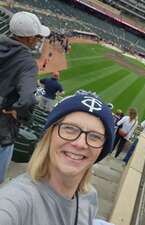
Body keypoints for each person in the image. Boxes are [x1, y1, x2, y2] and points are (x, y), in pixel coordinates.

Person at [0, 90, 114, 225]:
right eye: (70, 128)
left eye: (95, 136)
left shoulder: (89, 197)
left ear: (102, 150)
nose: (80, 143)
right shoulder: (15, 201)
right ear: (49, 135)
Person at [0, 11, 50, 184]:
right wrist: (19, 113)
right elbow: (29, 98)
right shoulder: (28, 63)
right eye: (37, 37)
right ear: (28, 38)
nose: (38, 40)